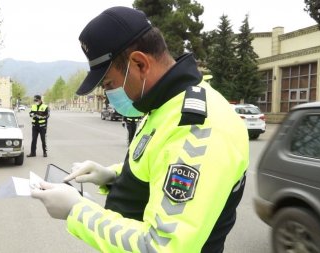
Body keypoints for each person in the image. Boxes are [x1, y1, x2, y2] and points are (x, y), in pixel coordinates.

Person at [31, 6, 249, 253]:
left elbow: (161, 246)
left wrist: (76, 211)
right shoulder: (163, 105)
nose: (108, 94)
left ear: (139, 63)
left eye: (110, 84)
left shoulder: (197, 127)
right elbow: (158, 164)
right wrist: (113, 175)